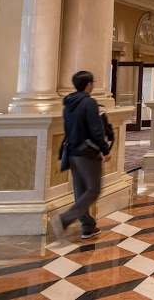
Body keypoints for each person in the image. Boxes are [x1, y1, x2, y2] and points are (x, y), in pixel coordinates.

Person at [50, 71, 112, 242]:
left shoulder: (68, 103)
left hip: (72, 151)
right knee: (93, 190)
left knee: (80, 190)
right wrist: (105, 149)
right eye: (93, 82)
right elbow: (96, 129)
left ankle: (88, 226)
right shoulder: (89, 103)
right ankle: (64, 219)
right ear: (88, 84)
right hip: (87, 152)